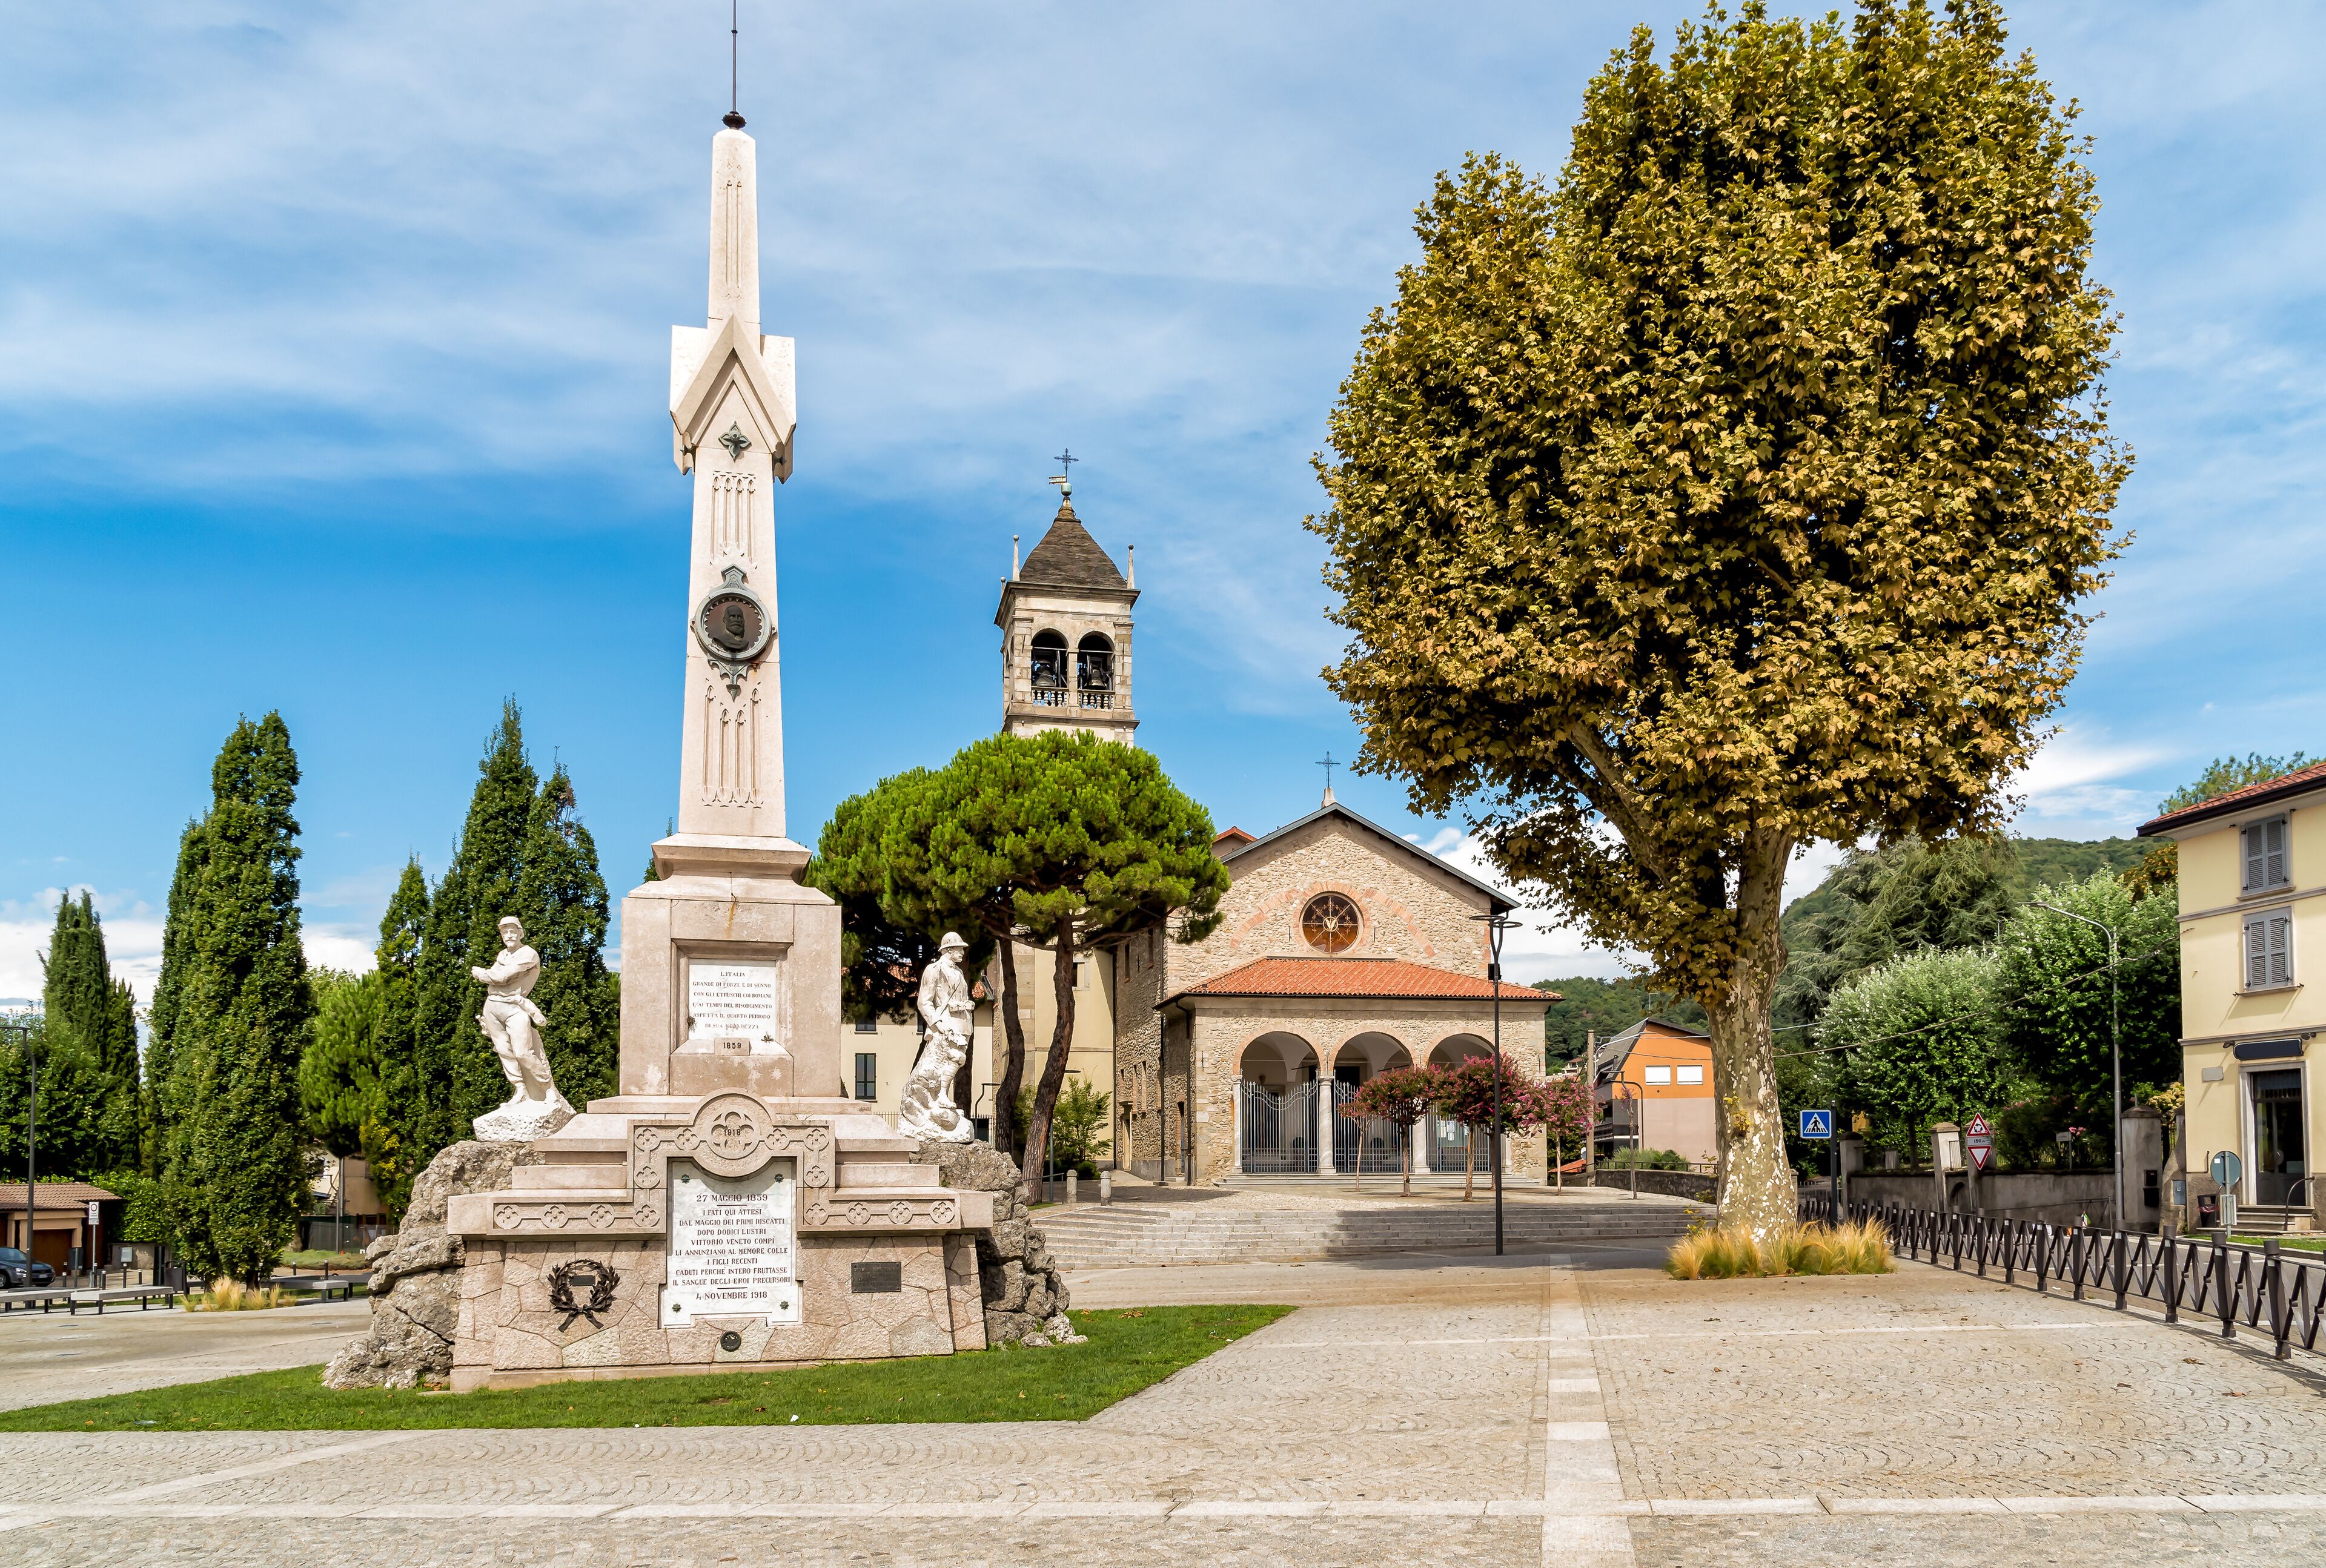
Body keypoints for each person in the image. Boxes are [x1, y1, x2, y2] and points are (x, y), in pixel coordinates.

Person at [899, 933, 976, 1143]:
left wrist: (967, 1005)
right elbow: (925, 1001)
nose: (962, 952)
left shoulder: (958, 972)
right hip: (946, 1023)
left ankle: (943, 1096)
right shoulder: (934, 970)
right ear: (949, 950)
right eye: (959, 948)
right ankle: (938, 1097)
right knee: (944, 1059)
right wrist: (937, 1024)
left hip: (962, 1023)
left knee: (957, 1060)